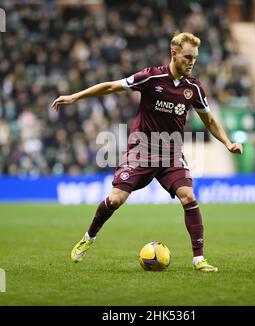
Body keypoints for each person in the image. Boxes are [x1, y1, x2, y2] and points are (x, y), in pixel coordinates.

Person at [51, 32, 243, 272]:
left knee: (189, 197)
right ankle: (88, 238)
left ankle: (199, 260)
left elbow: (210, 120)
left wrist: (227, 142)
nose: (192, 62)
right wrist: (74, 96)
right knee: (115, 200)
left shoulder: (193, 88)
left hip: (171, 153)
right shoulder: (151, 77)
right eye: (187, 57)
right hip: (141, 151)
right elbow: (112, 86)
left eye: (194, 58)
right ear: (174, 54)